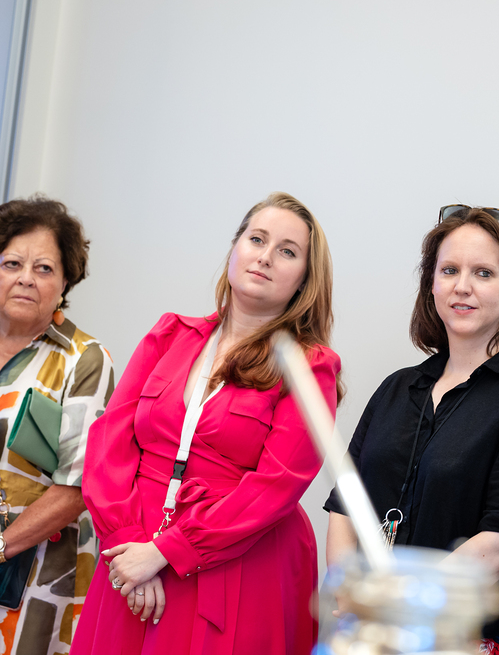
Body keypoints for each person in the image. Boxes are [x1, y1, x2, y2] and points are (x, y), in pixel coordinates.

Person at [72, 193, 343, 655]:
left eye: (287, 251)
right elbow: (108, 442)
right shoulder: (169, 334)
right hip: (131, 551)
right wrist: (129, 547)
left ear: (304, 280)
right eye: (256, 239)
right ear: (235, 248)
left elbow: (278, 485)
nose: (265, 256)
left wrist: (166, 552)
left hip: (234, 559)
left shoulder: (310, 365)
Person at [325, 205, 499, 654]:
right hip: (368, 630)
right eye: (449, 270)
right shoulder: (396, 389)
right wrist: (349, 592)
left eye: (483, 273)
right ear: (432, 284)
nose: (463, 286)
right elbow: (346, 505)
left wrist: (402, 603)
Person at [0, 196, 115, 655]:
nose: (26, 277)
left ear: (66, 280)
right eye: (12, 263)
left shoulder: (85, 359)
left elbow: (77, 487)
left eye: (44, 268)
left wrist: (0, 546)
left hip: (37, 576)